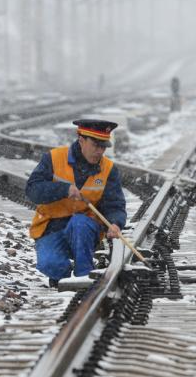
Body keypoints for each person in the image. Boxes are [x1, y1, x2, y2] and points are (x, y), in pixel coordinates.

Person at [26, 119, 126, 287]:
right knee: (51, 264)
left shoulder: (108, 169)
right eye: (96, 145)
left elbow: (115, 204)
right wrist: (63, 189)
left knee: (80, 222)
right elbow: (32, 191)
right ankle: (62, 274)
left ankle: (84, 277)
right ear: (81, 140)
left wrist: (115, 223)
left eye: (103, 147)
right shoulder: (53, 158)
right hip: (50, 227)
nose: (100, 151)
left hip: (85, 229)